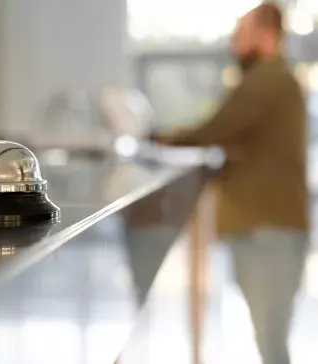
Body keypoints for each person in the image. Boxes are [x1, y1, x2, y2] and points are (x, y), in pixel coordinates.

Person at [153, 4, 308, 364]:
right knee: (269, 340)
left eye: (242, 32)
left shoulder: (268, 79)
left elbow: (215, 128)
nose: (234, 41)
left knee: (271, 345)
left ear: (267, 34)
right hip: (266, 230)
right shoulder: (270, 78)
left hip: (268, 231)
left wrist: (161, 139)